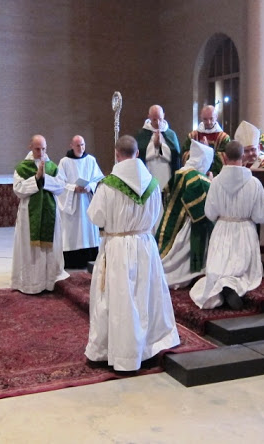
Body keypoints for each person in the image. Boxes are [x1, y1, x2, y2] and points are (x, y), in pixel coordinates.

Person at [85, 135, 180, 371]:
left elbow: (96, 217)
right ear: (137, 153)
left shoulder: (108, 185)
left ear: (117, 154)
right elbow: (157, 215)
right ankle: (148, 346)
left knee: (120, 300)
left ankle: (121, 354)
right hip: (145, 244)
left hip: (118, 247)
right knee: (145, 296)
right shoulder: (153, 184)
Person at [189, 141, 264, 310]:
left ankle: (224, 284)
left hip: (222, 229)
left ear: (224, 157)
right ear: (243, 156)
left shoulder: (216, 182)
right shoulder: (254, 183)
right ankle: (232, 286)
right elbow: (262, 216)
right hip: (244, 230)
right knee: (243, 272)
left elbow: (210, 213)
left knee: (219, 268)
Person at [12, 134, 69, 294]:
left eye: (43, 149)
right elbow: (18, 189)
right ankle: (31, 283)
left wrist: (45, 178)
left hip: (49, 211)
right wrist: (37, 178)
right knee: (30, 249)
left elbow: (61, 186)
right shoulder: (22, 168)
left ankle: (49, 281)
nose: (41, 152)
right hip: (29, 214)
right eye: (37, 149)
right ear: (30, 147)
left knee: (49, 248)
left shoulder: (52, 167)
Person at [156, 139, 214, 289]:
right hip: (188, 224)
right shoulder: (197, 178)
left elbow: (166, 193)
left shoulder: (181, 172)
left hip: (173, 217)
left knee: (167, 249)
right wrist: (211, 182)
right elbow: (204, 209)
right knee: (178, 253)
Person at [56, 135, 104, 269]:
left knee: (88, 230)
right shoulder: (64, 162)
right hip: (72, 204)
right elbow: (59, 184)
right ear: (71, 146)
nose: (80, 148)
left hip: (87, 201)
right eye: (77, 145)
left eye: (82, 145)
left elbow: (99, 179)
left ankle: (90, 258)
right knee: (72, 232)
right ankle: (72, 261)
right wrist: (73, 188)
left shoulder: (91, 160)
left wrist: (90, 187)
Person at [135, 104, 181, 189]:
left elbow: (176, 155)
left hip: (165, 172)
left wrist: (160, 146)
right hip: (149, 170)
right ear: (149, 117)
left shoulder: (171, 134)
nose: (158, 123)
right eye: (154, 119)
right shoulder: (142, 134)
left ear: (164, 115)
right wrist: (153, 146)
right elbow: (138, 154)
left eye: (160, 119)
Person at [181, 105, 230, 176]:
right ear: (201, 117)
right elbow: (184, 155)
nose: (208, 122)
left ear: (216, 117)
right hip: (196, 175)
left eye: (211, 118)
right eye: (205, 119)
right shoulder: (192, 136)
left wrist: (207, 150)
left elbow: (227, 158)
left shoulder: (223, 138)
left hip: (216, 176)